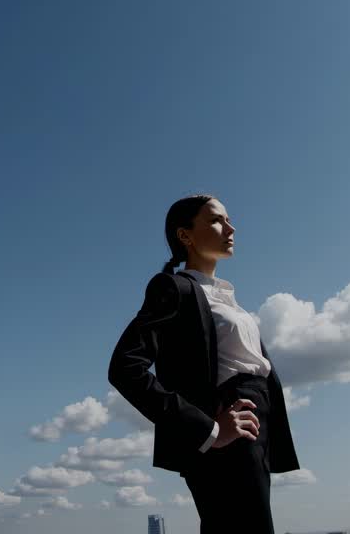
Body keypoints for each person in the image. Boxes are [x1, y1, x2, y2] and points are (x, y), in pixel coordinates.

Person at [108, 194, 300, 534]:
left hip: (256, 429)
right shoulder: (174, 288)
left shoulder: (228, 297)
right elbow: (125, 368)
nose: (230, 228)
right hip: (226, 429)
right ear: (185, 235)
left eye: (228, 219)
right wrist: (208, 429)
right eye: (216, 220)